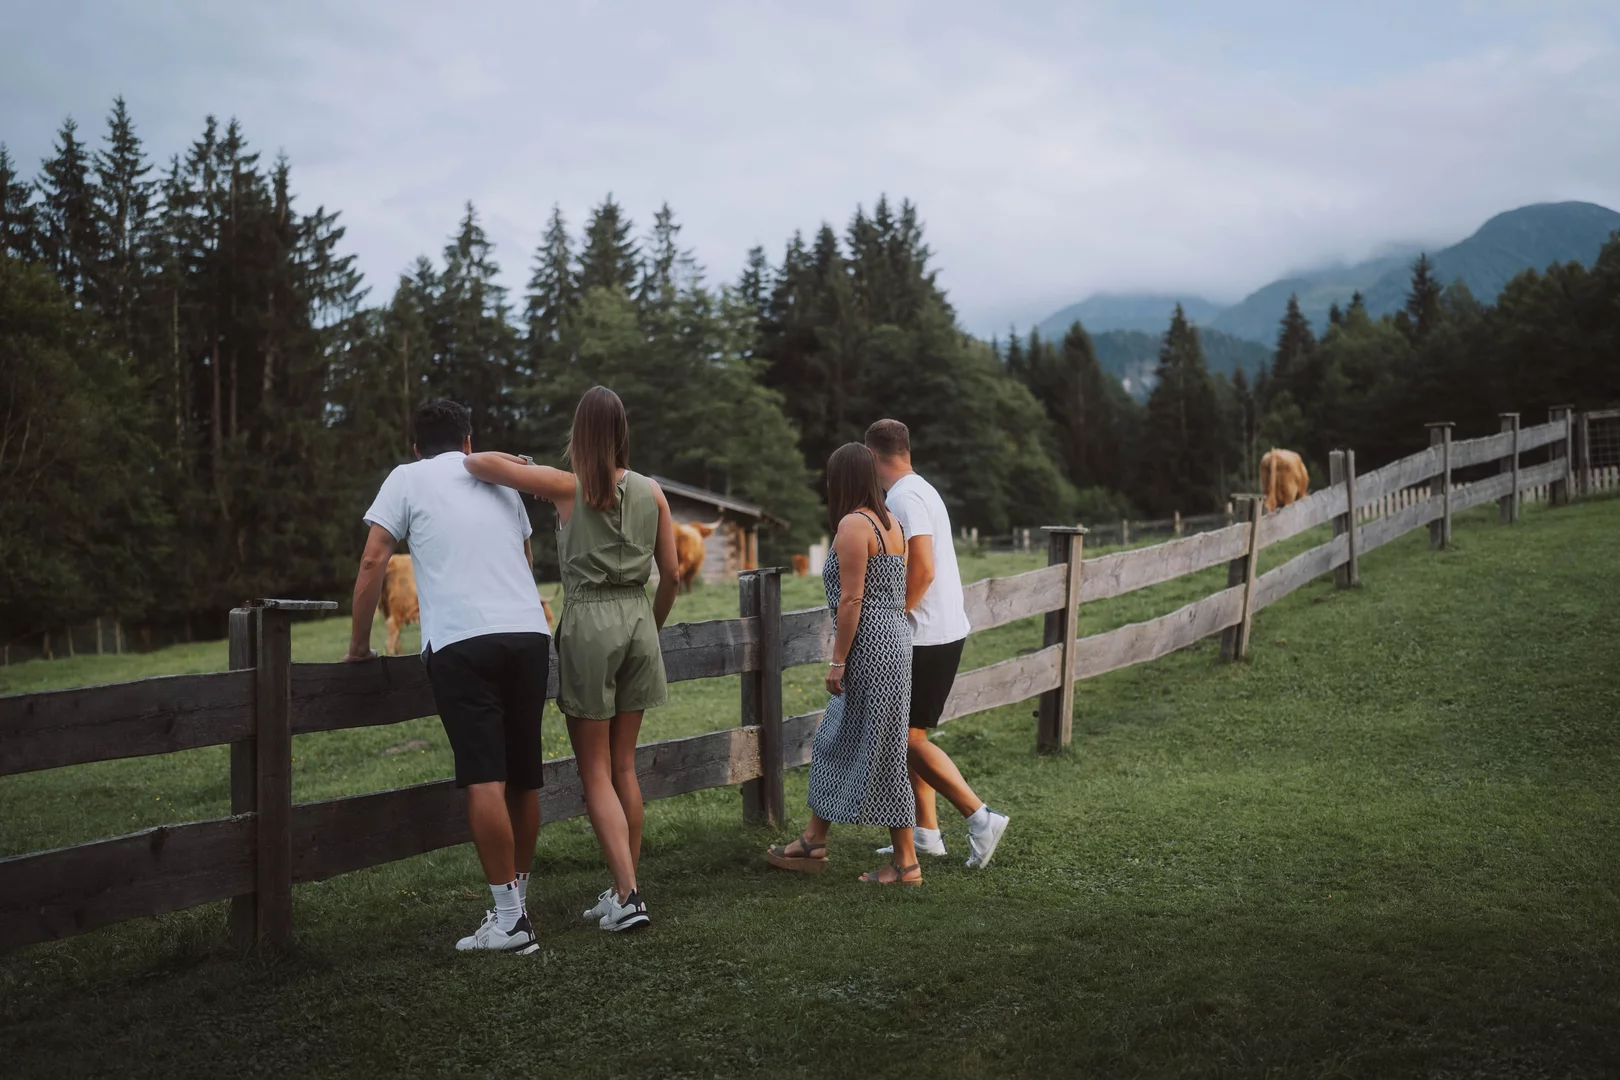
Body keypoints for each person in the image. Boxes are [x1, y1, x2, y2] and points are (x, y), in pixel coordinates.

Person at [465, 386, 680, 932]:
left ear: (579, 434)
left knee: (596, 772)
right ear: (623, 431)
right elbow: (673, 576)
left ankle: (628, 896)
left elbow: (476, 464)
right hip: (639, 621)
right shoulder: (654, 491)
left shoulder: (566, 486)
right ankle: (624, 887)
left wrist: (520, 464)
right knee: (625, 766)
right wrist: (649, 628)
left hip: (590, 625)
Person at [344, 398, 550, 954]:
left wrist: (359, 645)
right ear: (468, 441)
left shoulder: (406, 478)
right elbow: (525, 560)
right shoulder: (502, 478)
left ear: (416, 447)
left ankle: (510, 921)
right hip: (528, 633)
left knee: (485, 777)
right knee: (523, 776)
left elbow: (373, 560)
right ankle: (517, 908)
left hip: (463, 639)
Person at [767, 442, 920, 884]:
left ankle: (906, 862)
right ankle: (814, 839)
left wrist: (838, 661)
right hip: (894, 639)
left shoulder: (854, 524)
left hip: (870, 645)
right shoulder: (891, 523)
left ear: (843, 479)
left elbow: (852, 599)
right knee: (846, 740)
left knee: (875, 749)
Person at [865, 419, 1010, 868]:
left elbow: (923, 569)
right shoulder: (921, 489)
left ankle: (981, 817)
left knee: (906, 739)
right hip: (940, 629)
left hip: (923, 634)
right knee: (912, 734)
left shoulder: (902, 499)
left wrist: (894, 616)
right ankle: (926, 833)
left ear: (872, 456)